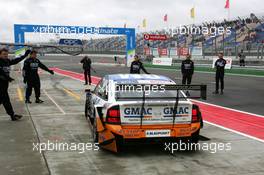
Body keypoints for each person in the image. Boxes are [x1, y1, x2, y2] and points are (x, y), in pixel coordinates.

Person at [0, 48, 31, 121]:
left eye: (7, 54)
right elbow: (0, 73)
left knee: (2, 100)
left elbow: (16, 60)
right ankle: (12, 115)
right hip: (0, 86)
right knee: (6, 100)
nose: (6, 55)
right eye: (4, 54)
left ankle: (12, 115)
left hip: (4, 85)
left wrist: (25, 55)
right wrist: (8, 78)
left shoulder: (7, 61)